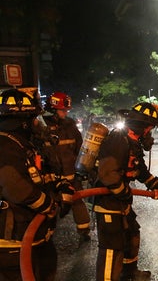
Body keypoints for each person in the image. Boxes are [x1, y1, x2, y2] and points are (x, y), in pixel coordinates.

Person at [0, 88, 74, 281]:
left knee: (47, 270)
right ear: (21, 122)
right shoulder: (5, 146)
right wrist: (48, 205)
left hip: (36, 236)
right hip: (13, 242)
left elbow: (45, 173)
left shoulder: (25, 144)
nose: (38, 124)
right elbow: (15, 188)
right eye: (34, 119)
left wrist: (62, 186)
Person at [94, 102, 158, 281]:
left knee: (131, 233)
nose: (150, 133)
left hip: (121, 200)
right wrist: (125, 193)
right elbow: (107, 174)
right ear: (142, 126)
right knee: (111, 247)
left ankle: (129, 273)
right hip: (108, 202)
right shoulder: (118, 139)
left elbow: (141, 171)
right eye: (150, 128)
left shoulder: (132, 143)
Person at [42, 91, 91, 241]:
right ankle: (46, 235)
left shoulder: (70, 126)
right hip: (52, 179)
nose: (65, 113)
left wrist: (85, 168)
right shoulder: (41, 128)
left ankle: (84, 231)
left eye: (66, 110)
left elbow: (80, 148)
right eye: (62, 110)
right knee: (49, 207)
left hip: (71, 176)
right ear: (53, 110)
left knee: (78, 202)